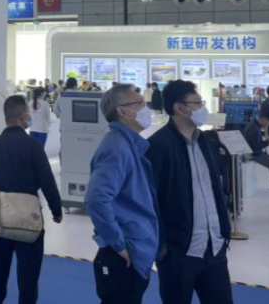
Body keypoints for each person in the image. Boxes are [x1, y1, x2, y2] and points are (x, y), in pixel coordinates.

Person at [146, 80, 234, 304]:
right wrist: (161, 244)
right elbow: (148, 199)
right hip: (179, 251)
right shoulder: (158, 145)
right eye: (197, 103)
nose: (202, 108)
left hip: (214, 247)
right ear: (179, 107)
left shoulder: (206, 141)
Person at [0, 95, 63, 304]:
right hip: (29, 221)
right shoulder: (33, 146)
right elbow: (47, 181)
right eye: (27, 112)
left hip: (0, 220)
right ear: (21, 116)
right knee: (28, 277)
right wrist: (56, 210)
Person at [86, 84, 160, 304]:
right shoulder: (116, 148)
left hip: (136, 247)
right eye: (139, 103)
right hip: (124, 252)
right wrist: (118, 244)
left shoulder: (131, 146)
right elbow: (97, 199)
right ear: (123, 110)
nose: (145, 108)